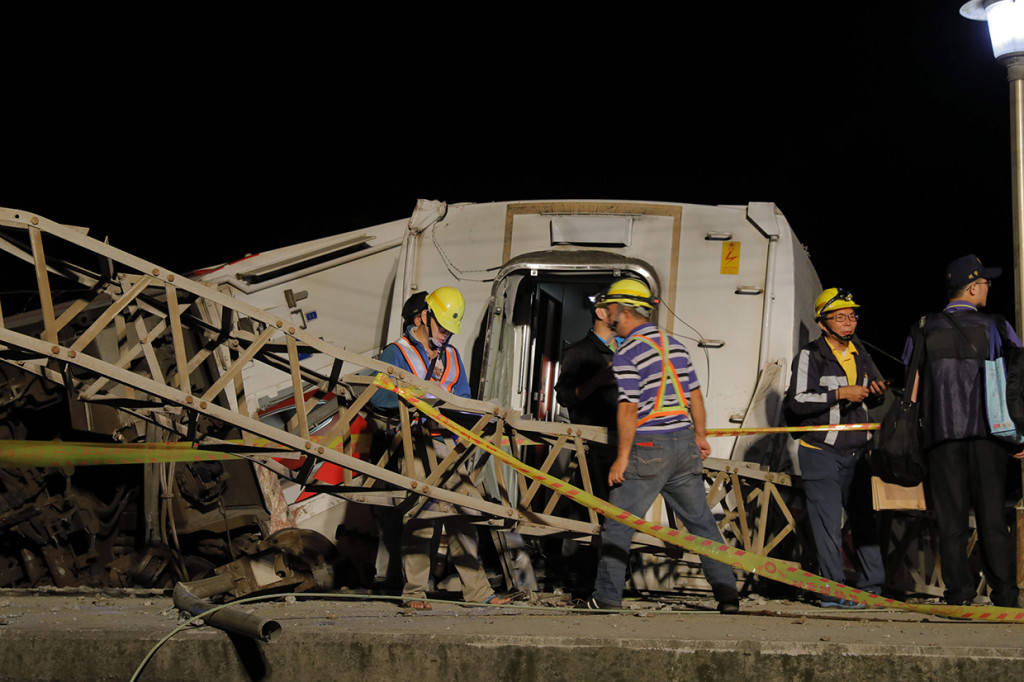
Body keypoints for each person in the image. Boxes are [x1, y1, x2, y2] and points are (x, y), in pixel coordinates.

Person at [587, 278, 740, 613]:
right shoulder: (676, 346)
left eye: (610, 309)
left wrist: (622, 457)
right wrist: (700, 436)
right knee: (702, 524)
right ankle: (728, 595)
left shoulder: (628, 351)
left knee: (618, 523)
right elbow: (695, 396)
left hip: (649, 445)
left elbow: (628, 405)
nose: (608, 315)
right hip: (684, 444)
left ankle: (607, 598)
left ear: (623, 311)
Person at [372, 286, 510, 609]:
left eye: (450, 330)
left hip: (446, 445)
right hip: (412, 443)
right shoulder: (397, 353)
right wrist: (412, 399)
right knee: (423, 511)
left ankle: (479, 593)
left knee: (464, 511)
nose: (446, 335)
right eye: (442, 327)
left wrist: (481, 413)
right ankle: (415, 592)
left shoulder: (451, 357)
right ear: (424, 316)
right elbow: (376, 397)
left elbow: (461, 400)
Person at [904, 255, 1021, 608]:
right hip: (990, 436)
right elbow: (1016, 382)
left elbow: (912, 385)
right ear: (972, 288)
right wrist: (1019, 433)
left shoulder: (923, 327)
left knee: (950, 519)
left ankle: (959, 592)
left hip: (942, 438)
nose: (988, 287)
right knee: (991, 518)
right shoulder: (997, 328)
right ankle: (1005, 593)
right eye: (985, 282)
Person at [784, 287, 887, 608]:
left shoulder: (861, 353)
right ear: (823, 322)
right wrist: (841, 394)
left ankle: (873, 589)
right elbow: (797, 402)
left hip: (857, 454)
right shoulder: (810, 355)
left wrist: (876, 392)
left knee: (864, 522)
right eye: (840, 317)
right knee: (827, 524)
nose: (848, 322)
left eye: (852, 315)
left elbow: (876, 395)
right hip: (821, 453)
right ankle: (833, 593)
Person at [554, 294, 620, 501]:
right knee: (598, 513)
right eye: (616, 308)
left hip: (623, 447)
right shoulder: (578, 352)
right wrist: (597, 381)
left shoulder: (627, 352)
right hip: (594, 452)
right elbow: (564, 396)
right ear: (600, 313)